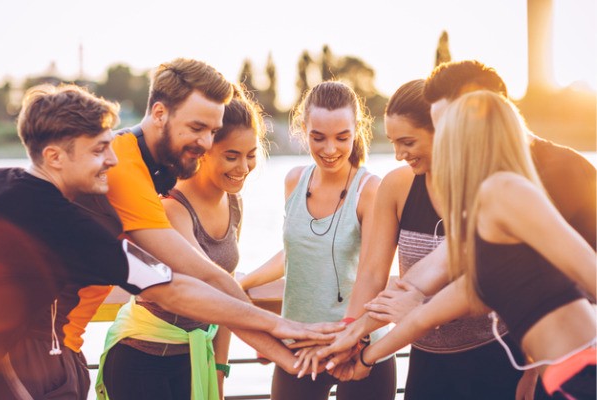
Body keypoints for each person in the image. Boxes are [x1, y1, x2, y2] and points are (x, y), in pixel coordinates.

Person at [0, 84, 338, 400]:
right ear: (55, 157)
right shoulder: (68, 225)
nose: (112, 160)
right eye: (98, 150)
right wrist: (280, 326)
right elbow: (173, 287)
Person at [314, 61, 596, 398]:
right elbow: (421, 295)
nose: (441, 138)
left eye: (444, 126)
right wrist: (357, 345)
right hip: (561, 377)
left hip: (580, 372)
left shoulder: (508, 190)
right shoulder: (482, 203)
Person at [73, 58, 338, 399]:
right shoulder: (130, 173)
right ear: (158, 113)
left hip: (75, 348)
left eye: (211, 131)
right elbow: (189, 285)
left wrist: (250, 360)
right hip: (66, 348)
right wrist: (284, 340)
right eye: (197, 128)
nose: (204, 142)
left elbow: (200, 284)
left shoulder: (150, 175)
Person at [98, 89, 265, 400]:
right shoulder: (173, 206)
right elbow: (209, 283)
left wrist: (220, 371)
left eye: (251, 154)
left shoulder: (234, 204)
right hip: (141, 358)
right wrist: (275, 338)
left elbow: (226, 295)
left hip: (191, 358)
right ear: (203, 151)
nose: (243, 167)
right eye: (231, 156)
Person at [239, 81, 396, 400]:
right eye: (318, 137)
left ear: (357, 130)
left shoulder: (370, 189)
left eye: (342, 137)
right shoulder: (294, 180)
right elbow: (296, 252)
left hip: (358, 348)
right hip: (298, 347)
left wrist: (356, 341)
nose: (330, 149)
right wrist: (240, 284)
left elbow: (372, 272)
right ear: (303, 129)